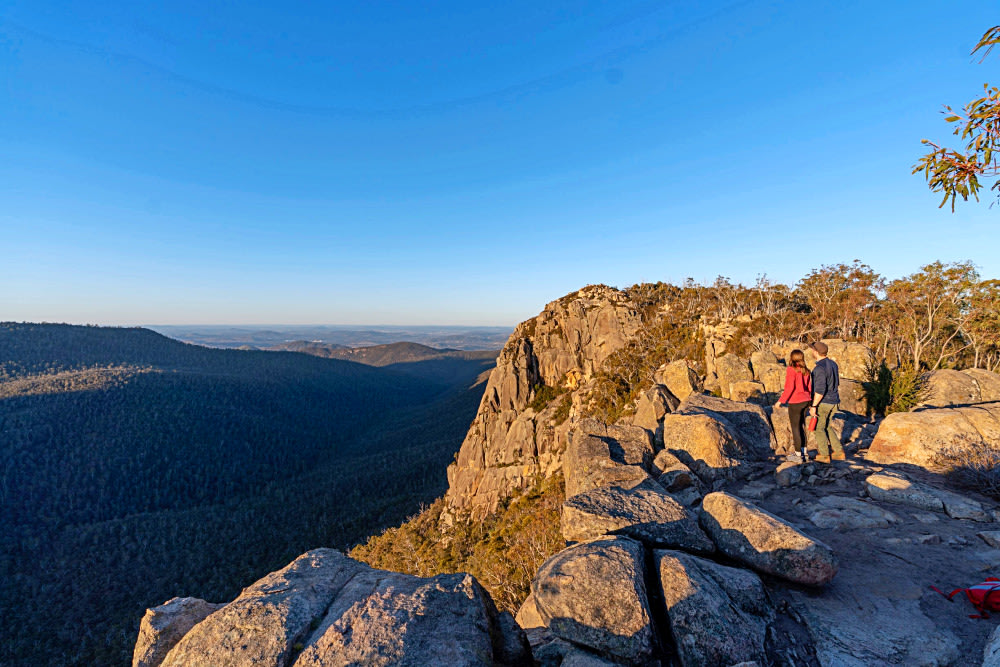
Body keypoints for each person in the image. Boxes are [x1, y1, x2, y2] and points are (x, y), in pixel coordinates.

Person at [809, 341, 844, 463]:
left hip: (824, 402)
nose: (811, 351)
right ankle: (838, 452)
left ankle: (824, 455)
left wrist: (814, 406)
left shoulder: (819, 368)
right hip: (834, 401)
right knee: (827, 427)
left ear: (816, 352)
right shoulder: (833, 364)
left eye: (812, 350)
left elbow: (820, 390)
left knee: (819, 428)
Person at [775, 349, 812, 461]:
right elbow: (810, 387)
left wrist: (780, 401)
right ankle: (804, 452)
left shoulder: (791, 370)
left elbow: (790, 388)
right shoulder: (806, 371)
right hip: (806, 400)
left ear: (792, 358)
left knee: (795, 428)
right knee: (802, 426)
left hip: (796, 401)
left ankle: (798, 455)